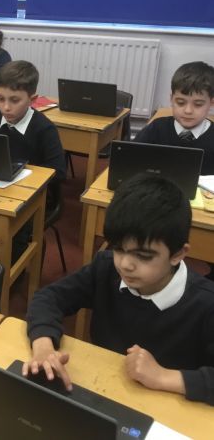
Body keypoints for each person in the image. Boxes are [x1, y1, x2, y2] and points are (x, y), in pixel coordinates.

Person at [24, 174, 214, 406]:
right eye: (119, 249)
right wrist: (43, 346)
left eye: (143, 256)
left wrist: (164, 376)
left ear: (178, 254)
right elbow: (48, 297)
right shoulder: (105, 269)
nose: (125, 264)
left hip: (169, 408)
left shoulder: (206, 303)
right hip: (103, 391)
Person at [0, 60, 66, 197]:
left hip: (33, 194)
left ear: (32, 99)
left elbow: (59, 172)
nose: (6, 107)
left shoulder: (45, 128)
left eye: (14, 100)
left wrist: (19, 172)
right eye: (0, 99)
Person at [134, 61, 214, 175]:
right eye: (180, 102)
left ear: (211, 103)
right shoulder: (157, 128)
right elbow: (130, 157)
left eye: (198, 104)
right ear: (171, 99)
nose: (188, 111)